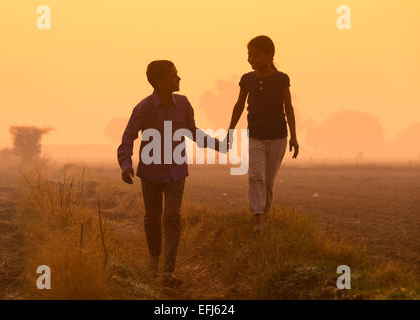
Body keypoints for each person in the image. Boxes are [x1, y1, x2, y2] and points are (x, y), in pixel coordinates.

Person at [117, 60, 223, 286]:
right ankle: (154, 260)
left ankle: (168, 270)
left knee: (172, 217)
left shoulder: (184, 104)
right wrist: (126, 166)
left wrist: (218, 145)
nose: (179, 78)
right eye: (174, 75)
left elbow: (193, 132)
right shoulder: (143, 108)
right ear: (159, 81)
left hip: (176, 171)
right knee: (152, 218)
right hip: (150, 172)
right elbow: (127, 138)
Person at [227, 35, 299, 232]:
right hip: (255, 136)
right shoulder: (247, 79)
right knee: (255, 175)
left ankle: (264, 213)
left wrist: (294, 136)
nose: (252, 60)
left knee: (268, 180)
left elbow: (289, 108)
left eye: (256, 56)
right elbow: (239, 105)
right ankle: (258, 217)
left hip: (278, 136)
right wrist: (230, 131)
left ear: (270, 56)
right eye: (249, 55)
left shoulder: (281, 79)